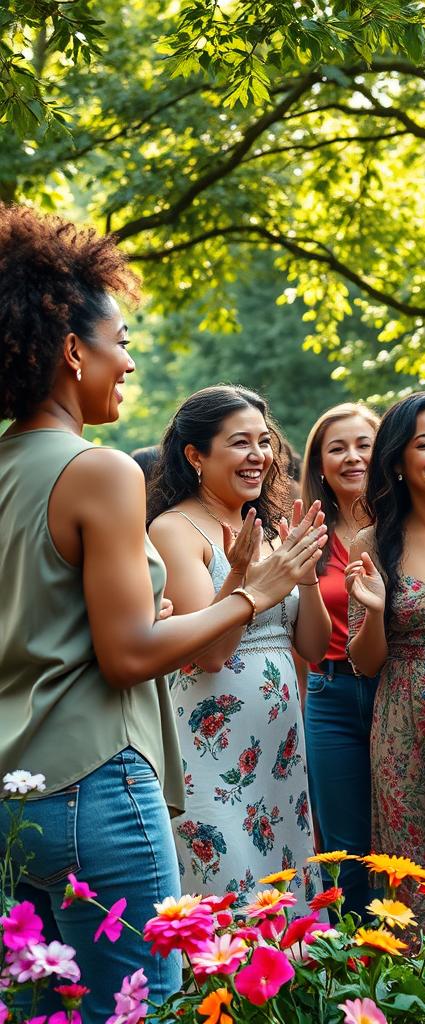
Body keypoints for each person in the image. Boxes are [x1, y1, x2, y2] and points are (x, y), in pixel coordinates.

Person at [0, 205, 324, 1024]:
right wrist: (254, 593)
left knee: (45, 1009)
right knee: (143, 1005)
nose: (131, 364)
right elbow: (128, 654)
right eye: (122, 344)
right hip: (94, 783)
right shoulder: (99, 471)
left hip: (16, 791)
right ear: (74, 352)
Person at [148, 386, 330, 911]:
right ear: (195, 456)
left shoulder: (271, 527)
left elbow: (313, 648)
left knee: (281, 892)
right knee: (228, 892)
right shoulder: (174, 529)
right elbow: (210, 653)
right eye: (240, 443)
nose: (259, 456)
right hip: (211, 752)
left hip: (280, 752)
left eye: (264, 441)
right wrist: (244, 577)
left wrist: (307, 574)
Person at [345, 393, 425, 919]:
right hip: (404, 717)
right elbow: (365, 662)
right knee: (416, 877)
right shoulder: (372, 543)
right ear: (397, 460)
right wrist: (375, 612)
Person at [299, 402, 381, 912]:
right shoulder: (308, 534)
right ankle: (351, 980)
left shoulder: (409, 527)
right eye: (338, 448)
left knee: (405, 842)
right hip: (330, 696)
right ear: (321, 465)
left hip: (399, 691)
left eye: (364, 445)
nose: (352, 458)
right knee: (345, 852)